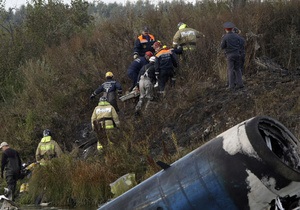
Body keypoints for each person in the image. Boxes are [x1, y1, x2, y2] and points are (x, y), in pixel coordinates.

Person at [220, 22, 244, 91]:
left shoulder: (225, 37)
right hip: (237, 54)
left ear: (226, 29)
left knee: (230, 69)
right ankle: (240, 84)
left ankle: (231, 85)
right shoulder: (237, 36)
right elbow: (241, 43)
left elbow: (222, 47)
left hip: (230, 55)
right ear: (232, 28)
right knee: (238, 69)